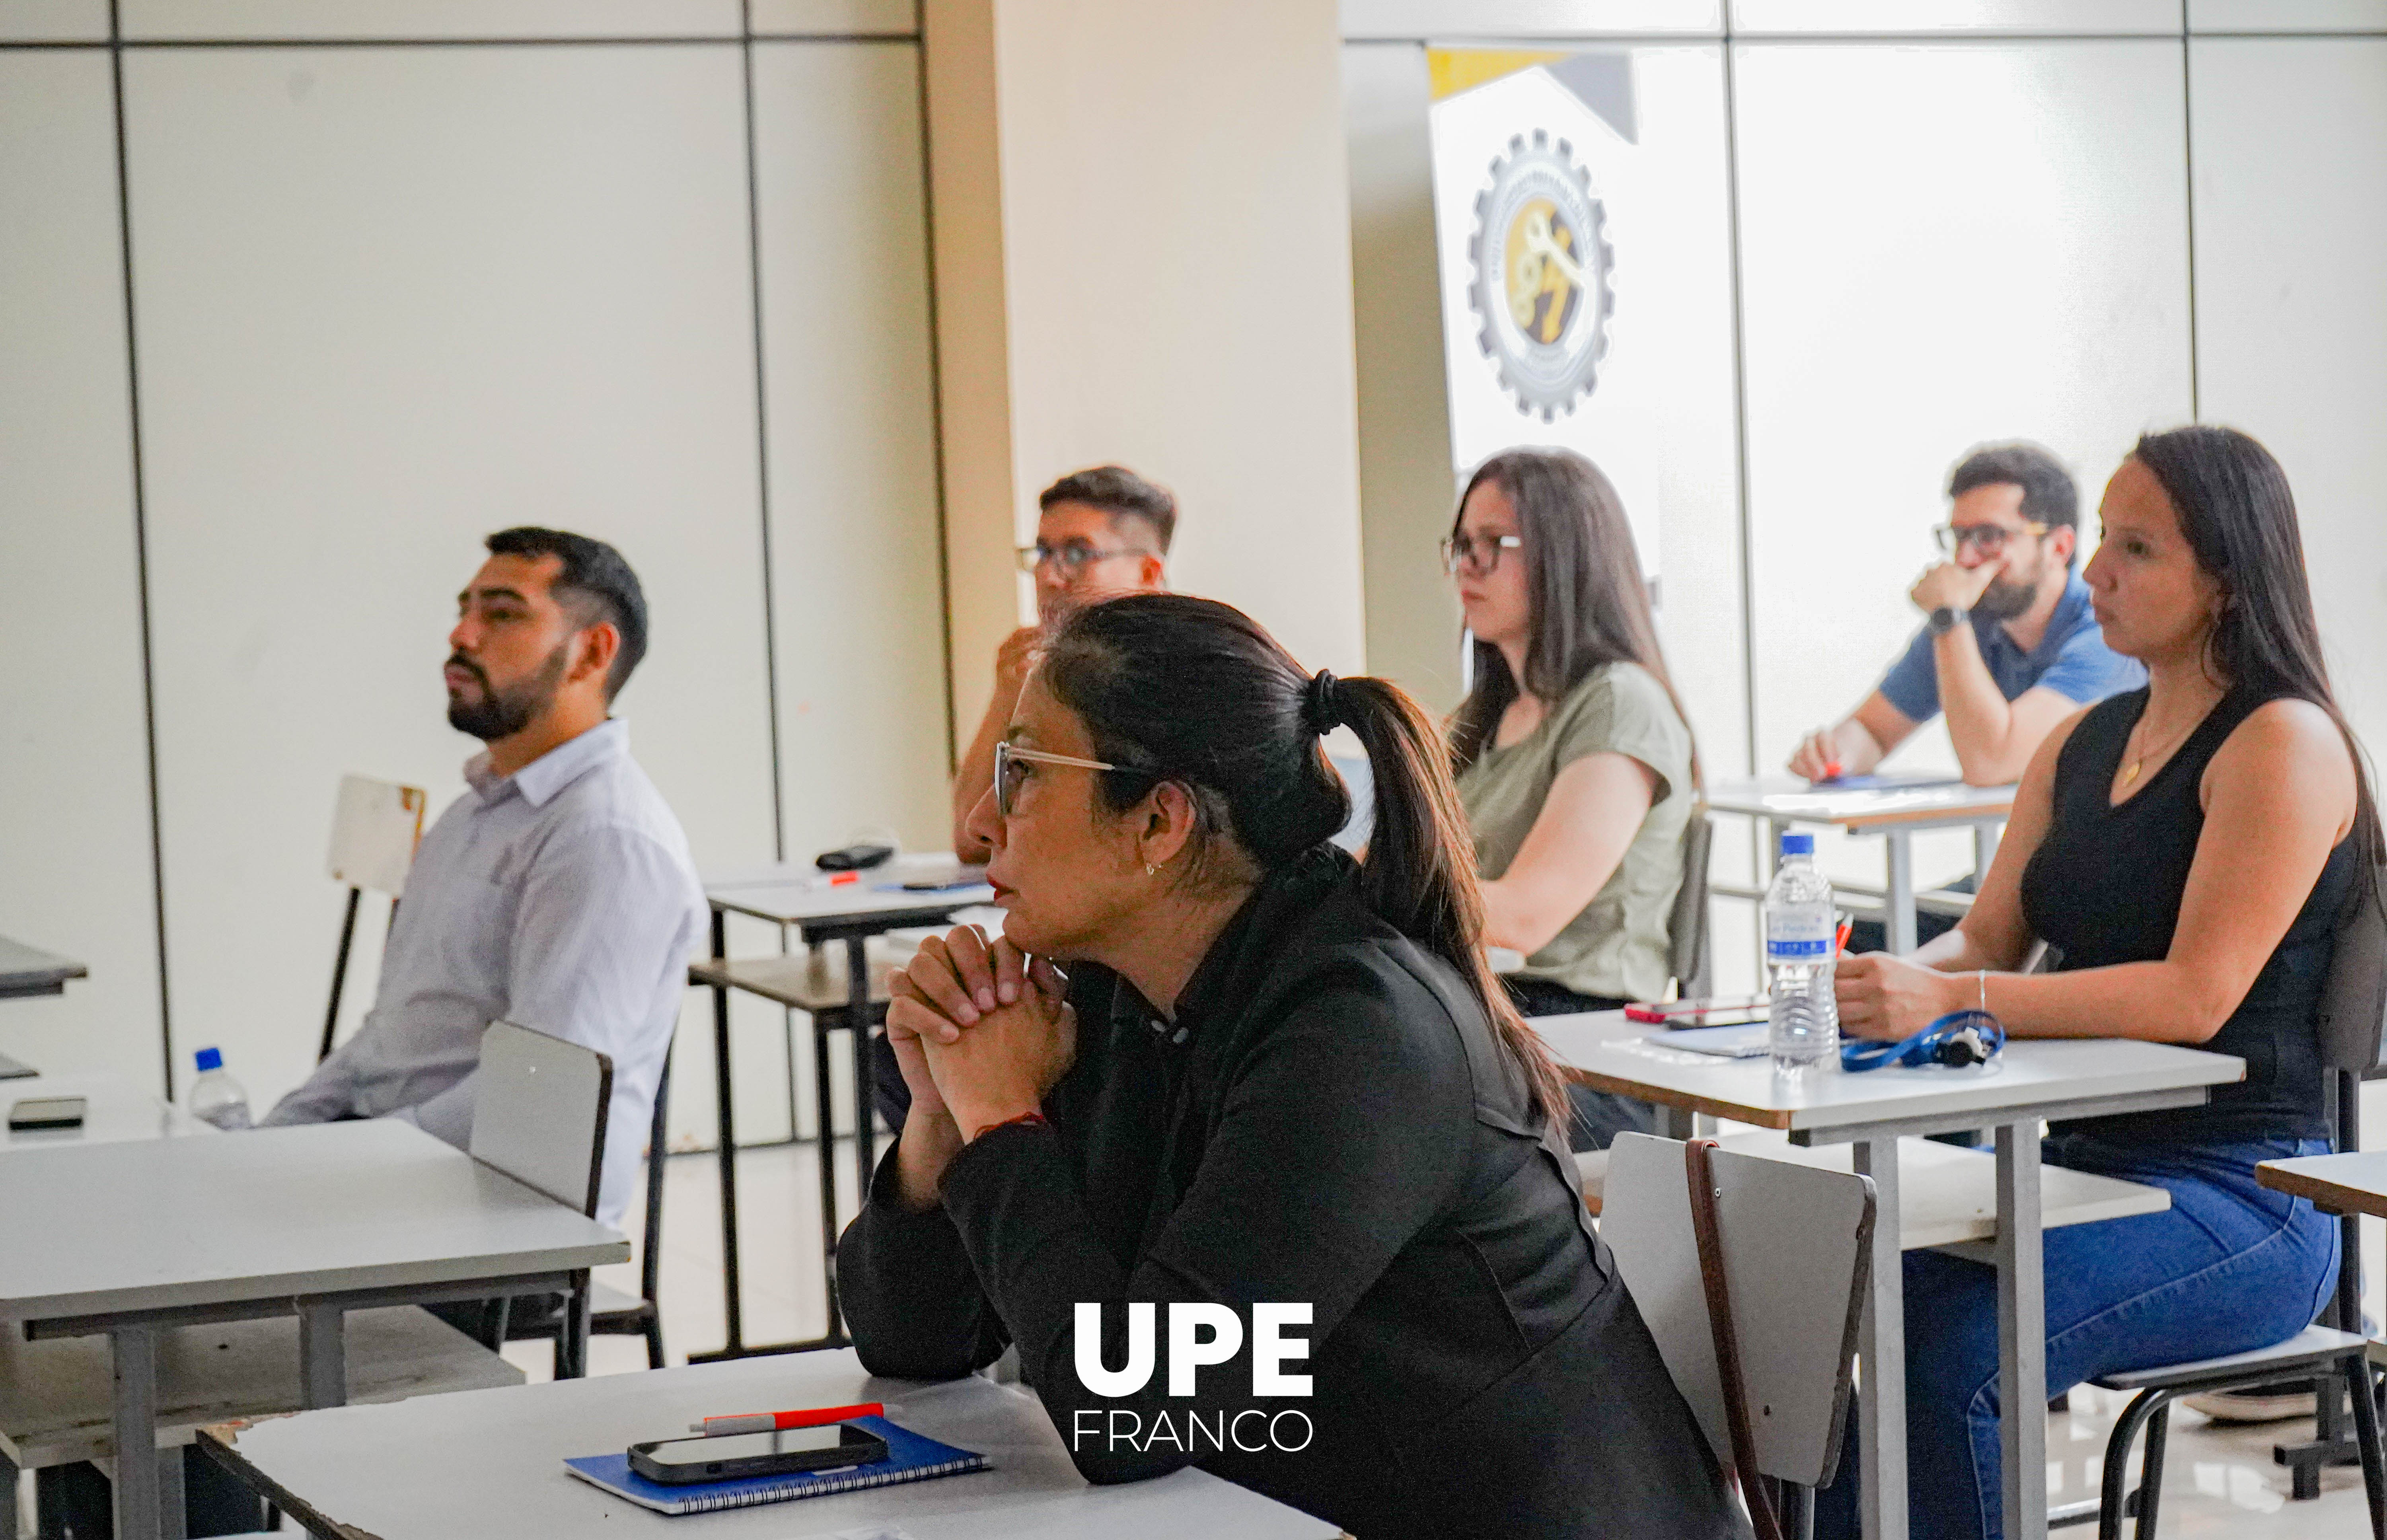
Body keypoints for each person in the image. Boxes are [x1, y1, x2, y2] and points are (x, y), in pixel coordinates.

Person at [837, 594, 1739, 1540]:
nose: (980, 823)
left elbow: (1137, 1414)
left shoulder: (1358, 1037)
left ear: (1158, 823)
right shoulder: (1112, 992)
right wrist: (941, 1123)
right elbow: (913, 1344)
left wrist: (1003, 1120)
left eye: (1021, 772)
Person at [1815, 427, 2372, 1540]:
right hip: (2069, 1167)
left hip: (2246, 1196)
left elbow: (2192, 998)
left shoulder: (2284, 743)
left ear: (2225, 580)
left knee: (1958, 1355)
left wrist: (1955, 998)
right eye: (2102, 544)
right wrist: (1848, 982)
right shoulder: (2079, 742)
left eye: (2135, 550)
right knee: (1832, 1317)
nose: (2097, 575)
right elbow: (1984, 939)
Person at [266, 528, 705, 1236]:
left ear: (591, 653)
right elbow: (392, 1033)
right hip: (401, 1167)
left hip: (495, 1211)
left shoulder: (605, 839)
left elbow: (538, 1103)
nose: (461, 633)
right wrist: (290, 1128)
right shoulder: (471, 816)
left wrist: (339, 1159)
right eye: (465, 607)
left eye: (502, 613)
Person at [1790, 444, 2144, 950]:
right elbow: (1870, 730)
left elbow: (1992, 761)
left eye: (1990, 537)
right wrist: (1833, 751)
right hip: (2025, 868)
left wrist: (1947, 618)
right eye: (1958, 537)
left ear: (2060, 547)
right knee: (1857, 940)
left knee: (1915, 942)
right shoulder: (1972, 622)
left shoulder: (2105, 631)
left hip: (2105, 877)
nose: (1965, 558)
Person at [1444, 448, 1699, 1151]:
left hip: (1587, 1049)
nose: (1469, 565)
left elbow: (1526, 915)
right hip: (1492, 1018)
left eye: (1494, 545)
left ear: (1567, 555)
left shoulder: (1620, 703)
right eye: (1462, 545)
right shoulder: (1482, 715)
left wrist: (1370, 878)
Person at [952, 465, 1174, 862]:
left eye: (1077, 553)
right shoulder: (1042, 675)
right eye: (1043, 552)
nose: (1050, 577)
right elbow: (972, 839)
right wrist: (1007, 694)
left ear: (1147, 572)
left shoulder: (1189, 674)